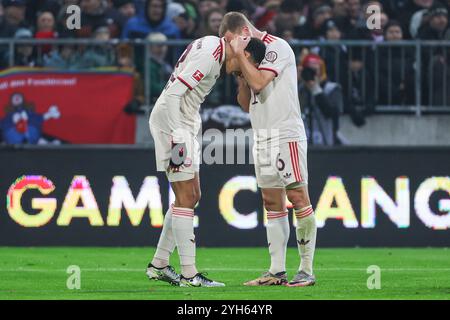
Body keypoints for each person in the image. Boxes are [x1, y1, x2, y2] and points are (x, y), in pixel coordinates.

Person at [147, 35, 266, 287]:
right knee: (187, 197)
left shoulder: (212, 47)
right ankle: (190, 275)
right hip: (174, 125)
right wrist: (178, 134)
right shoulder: (210, 55)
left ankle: (159, 264)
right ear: (244, 55)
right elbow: (172, 96)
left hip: (183, 123)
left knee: (191, 195)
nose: (242, 73)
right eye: (247, 66)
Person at [219, 12, 317, 287]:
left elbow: (261, 82)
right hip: (261, 136)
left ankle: (306, 270)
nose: (229, 48)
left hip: (286, 134)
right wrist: (240, 68)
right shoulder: (249, 56)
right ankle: (276, 272)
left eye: (230, 41)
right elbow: (247, 102)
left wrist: (240, 59)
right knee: (272, 203)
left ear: (242, 32)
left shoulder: (278, 47)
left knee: (297, 197)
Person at [298, 53, 343, 146]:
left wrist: (316, 89)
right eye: (308, 69)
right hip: (302, 142)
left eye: (315, 70)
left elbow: (332, 113)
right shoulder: (298, 90)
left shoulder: (332, 89)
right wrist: (294, 81)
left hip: (327, 142)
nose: (312, 74)